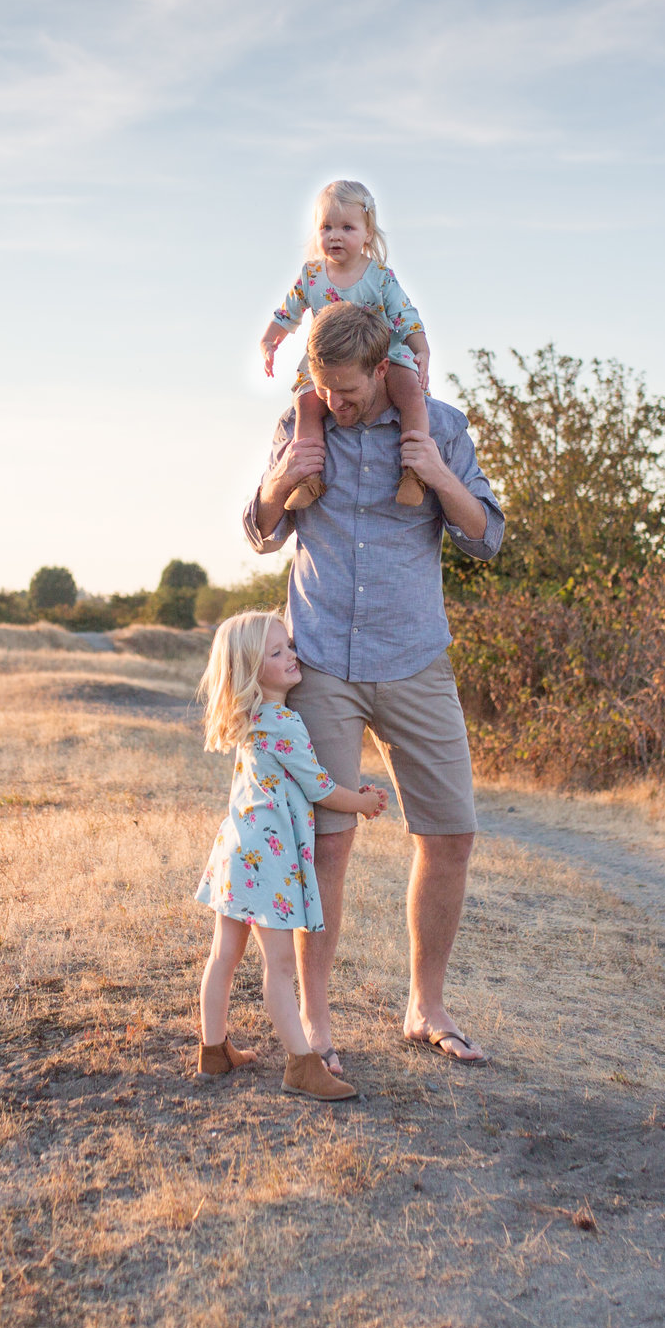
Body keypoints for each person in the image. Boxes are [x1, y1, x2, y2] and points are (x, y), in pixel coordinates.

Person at [243, 299, 507, 1068]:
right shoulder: (304, 424)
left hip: (415, 656)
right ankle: (317, 1023)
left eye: (350, 391)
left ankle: (426, 1003)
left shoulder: (442, 428)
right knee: (327, 841)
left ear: (385, 367)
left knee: (451, 832)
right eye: (324, 389)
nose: (337, 404)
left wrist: (434, 475)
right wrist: (279, 480)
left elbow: (488, 535)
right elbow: (261, 532)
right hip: (321, 657)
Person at [190, 610, 390, 1101]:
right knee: (278, 967)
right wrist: (363, 803)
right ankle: (301, 1065)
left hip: (238, 853)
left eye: (288, 647)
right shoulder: (282, 721)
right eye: (276, 653)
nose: (291, 656)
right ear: (250, 669)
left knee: (224, 955)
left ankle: (213, 1052)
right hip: (269, 862)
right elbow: (319, 788)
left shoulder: (251, 718)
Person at [259, 180, 433, 509]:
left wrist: (420, 348)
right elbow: (287, 312)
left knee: (409, 391)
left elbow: (404, 313)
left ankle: (414, 473)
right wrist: (269, 341)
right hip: (327, 362)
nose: (335, 235)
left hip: (380, 353)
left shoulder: (379, 275)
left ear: (368, 233)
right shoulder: (312, 276)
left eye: (347, 227)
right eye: (326, 227)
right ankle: (309, 479)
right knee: (306, 405)